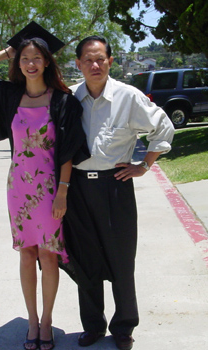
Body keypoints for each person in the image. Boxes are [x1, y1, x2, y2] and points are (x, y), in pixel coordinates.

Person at [0, 21, 89, 350]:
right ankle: (31, 320)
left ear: (47, 61)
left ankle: (46, 321)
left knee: (49, 256)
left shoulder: (62, 101)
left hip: (49, 190)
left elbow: (68, 150)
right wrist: (9, 49)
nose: (30, 63)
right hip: (18, 187)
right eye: (24, 58)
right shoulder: (8, 95)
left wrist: (62, 191)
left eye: (36, 57)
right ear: (17, 63)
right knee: (26, 253)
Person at [63, 36, 175, 350]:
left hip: (115, 186)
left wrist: (144, 165)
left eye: (100, 58)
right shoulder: (69, 98)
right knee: (85, 259)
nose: (94, 65)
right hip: (78, 189)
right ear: (78, 64)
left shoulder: (128, 96)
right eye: (88, 59)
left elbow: (163, 127)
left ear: (110, 61)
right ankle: (94, 326)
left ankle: (124, 326)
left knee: (122, 259)